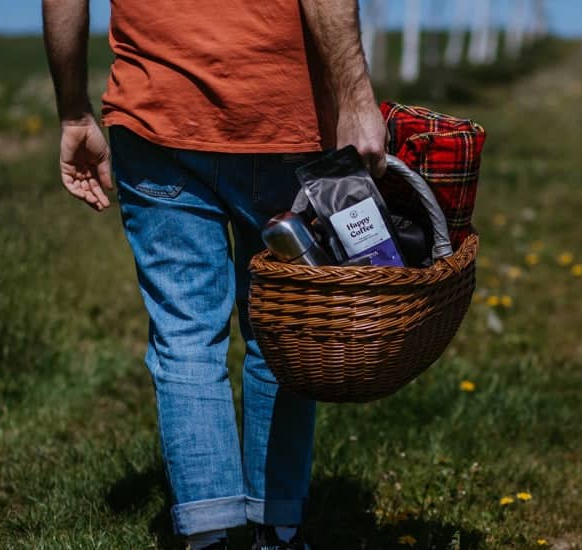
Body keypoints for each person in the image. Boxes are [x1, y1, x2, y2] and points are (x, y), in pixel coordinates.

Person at [42, 1, 387, 548]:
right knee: (284, 327)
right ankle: (278, 530)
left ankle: (210, 537)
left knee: (185, 335)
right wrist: (356, 97)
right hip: (282, 109)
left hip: (156, 113)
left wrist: (72, 111)